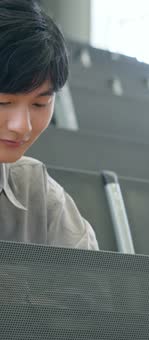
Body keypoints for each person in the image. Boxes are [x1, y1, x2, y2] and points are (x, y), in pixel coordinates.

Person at [0, 0, 98, 249]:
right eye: (3, 102)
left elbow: (91, 284)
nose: (22, 126)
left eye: (40, 104)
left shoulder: (37, 192)